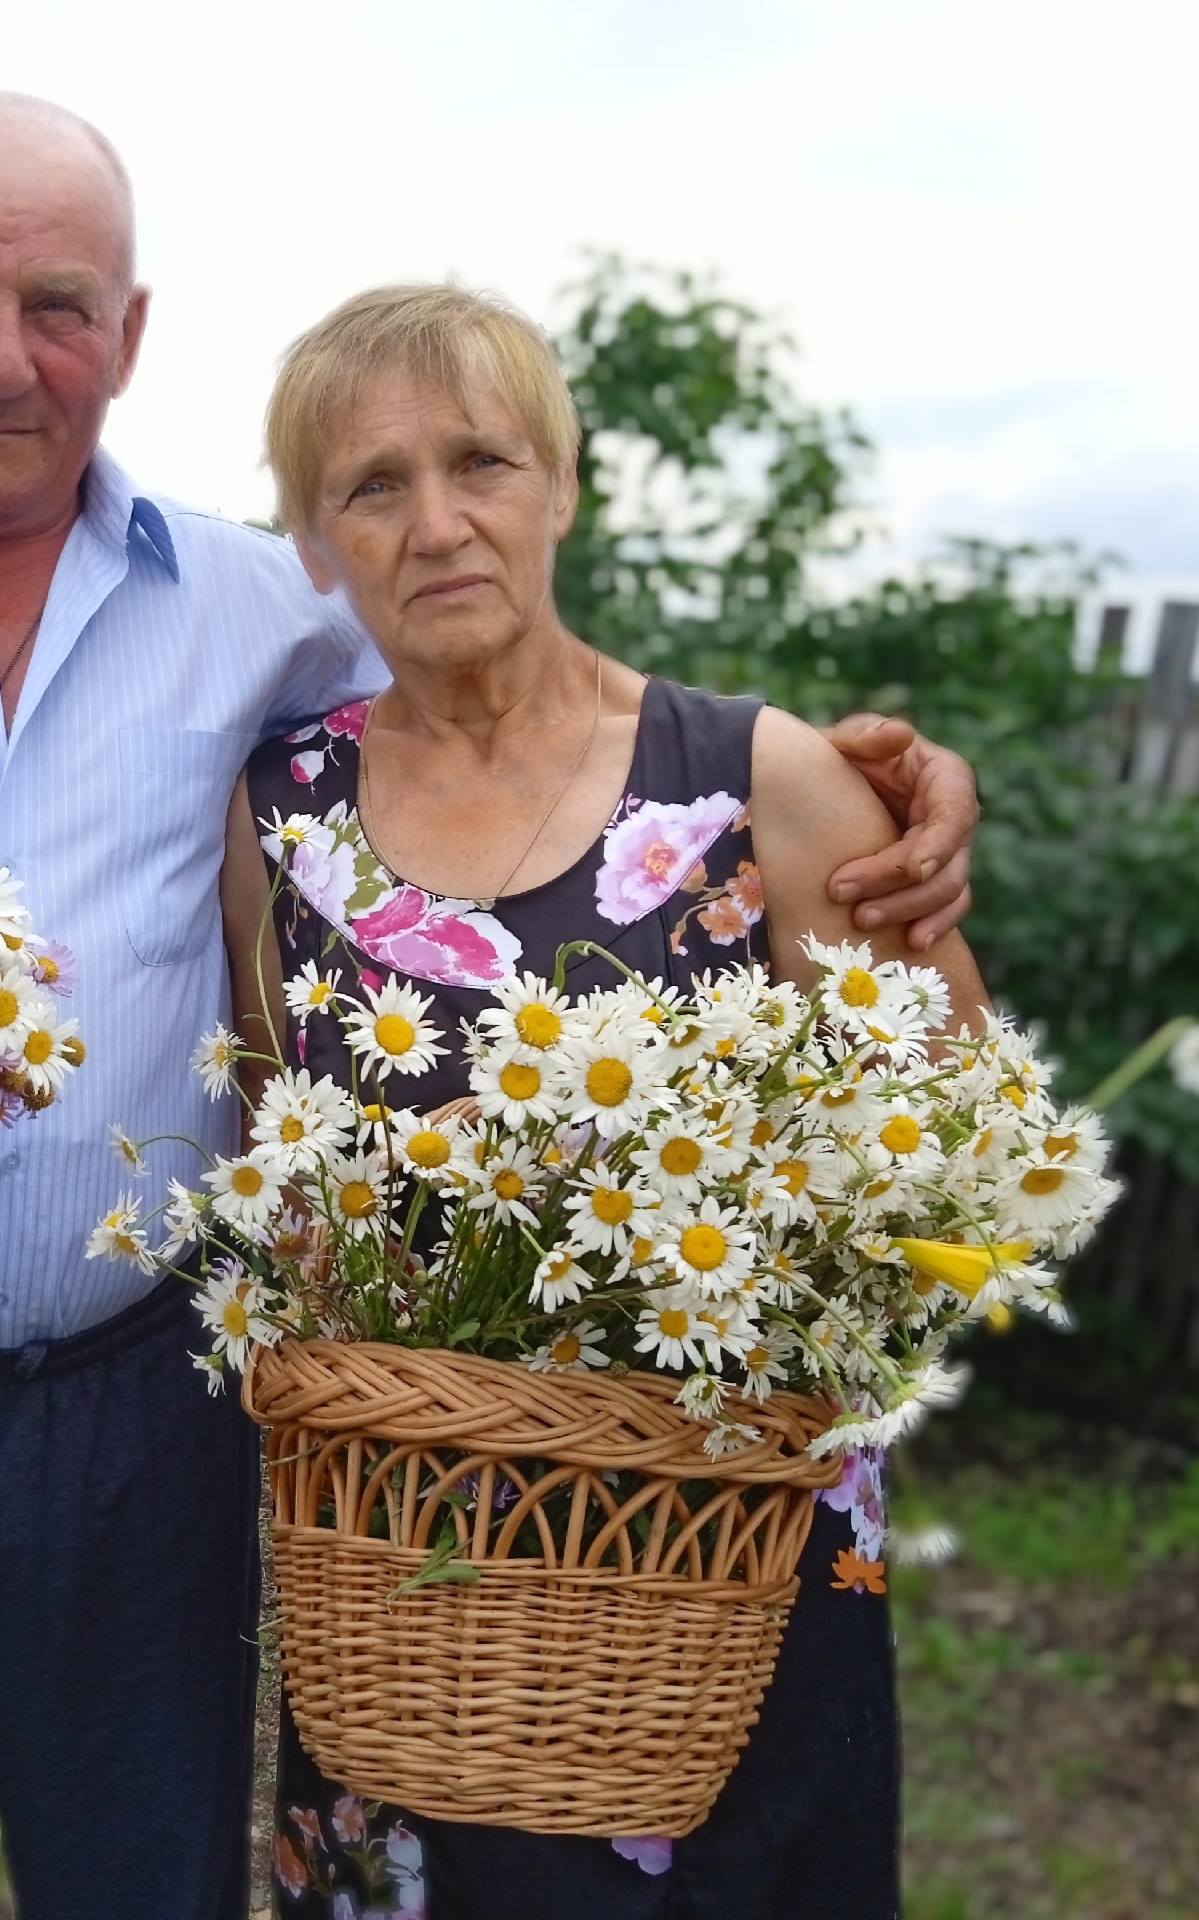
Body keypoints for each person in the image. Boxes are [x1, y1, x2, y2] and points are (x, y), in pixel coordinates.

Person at [0, 92, 981, 1920]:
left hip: (149, 1408)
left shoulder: (254, 606)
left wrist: (868, 792)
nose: (2, 358)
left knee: (147, 1886)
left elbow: (528, 695)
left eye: (60, 307)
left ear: (128, 337)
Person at [225, 282, 992, 1920]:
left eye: (482, 462)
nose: (437, 524)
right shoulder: (284, 816)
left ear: (564, 487)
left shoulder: (755, 781)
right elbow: (270, 1170)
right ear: (312, 543)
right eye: (372, 485)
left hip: (719, 1594)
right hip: (415, 1601)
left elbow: (966, 1160)